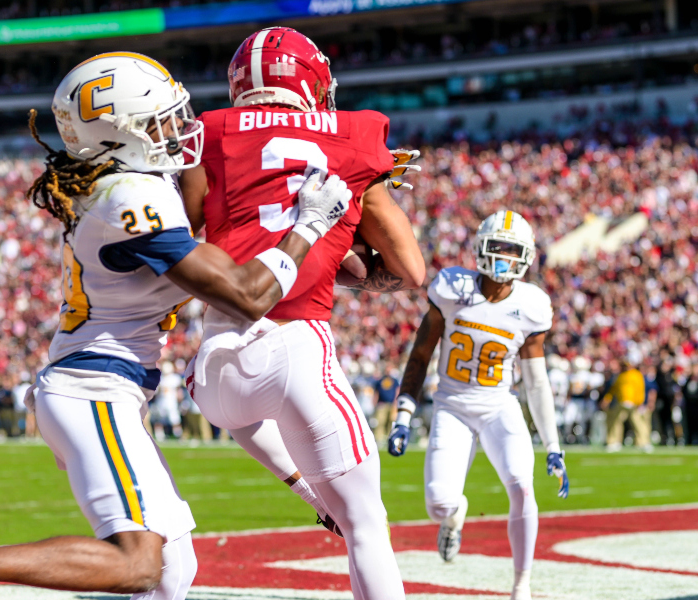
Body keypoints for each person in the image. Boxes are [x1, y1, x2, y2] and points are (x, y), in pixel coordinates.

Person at [0, 51, 353, 600]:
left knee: (172, 571)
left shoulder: (125, 183)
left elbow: (209, 232)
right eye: (160, 121)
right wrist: (307, 225)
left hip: (104, 386)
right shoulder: (130, 198)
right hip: (94, 390)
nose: (180, 130)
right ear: (119, 135)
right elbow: (247, 295)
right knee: (139, 563)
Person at [181, 27, 425, 599]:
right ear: (314, 82)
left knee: (232, 403)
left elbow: (184, 233)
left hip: (213, 365)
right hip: (295, 347)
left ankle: (310, 493)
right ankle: (330, 499)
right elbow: (410, 270)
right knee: (367, 525)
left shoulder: (205, 133)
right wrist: (343, 236)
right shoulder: (357, 138)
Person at [387, 210, 568, 600]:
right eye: (497, 247)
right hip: (451, 405)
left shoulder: (532, 305)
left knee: (522, 485)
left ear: (526, 256)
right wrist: (403, 414)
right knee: (438, 503)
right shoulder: (452, 288)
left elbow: (536, 382)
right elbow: (420, 355)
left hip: (499, 405)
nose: (503, 257)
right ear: (481, 249)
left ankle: (522, 586)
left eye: (511, 250)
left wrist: (553, 446)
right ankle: (454, 517)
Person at [601, 358, 651, 452]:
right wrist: (607, 399)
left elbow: (640, 389)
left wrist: (639, 402)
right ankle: (613, 442)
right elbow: (614, 389)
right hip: (621, 402)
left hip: (633, 403)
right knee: (615, 422)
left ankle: (643, 442)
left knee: (638, 423)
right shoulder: (620, 376)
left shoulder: (636, 375)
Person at [654, 351, 680, 445]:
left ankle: (675, 438)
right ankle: (665, 437)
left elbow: (676, 388)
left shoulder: (672, 376)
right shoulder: (659, 376)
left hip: (671, 402)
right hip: (662, 401)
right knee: (663, 421)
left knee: (673, 421)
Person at [681, 362, 698, 445]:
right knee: (689, 424)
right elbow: (683, 391)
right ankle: (689, 441)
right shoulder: (688, 379)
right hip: (689, 405)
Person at [372, 365, 400, 442]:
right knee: (380, 421)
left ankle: (389, 437)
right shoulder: (380, 380)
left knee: (390, 421)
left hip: (391, 403)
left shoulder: (394, 381)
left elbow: (397, 391)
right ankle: (379, 438)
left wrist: (396, 402)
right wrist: (375, 402)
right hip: (382, 404)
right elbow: (376, 392)